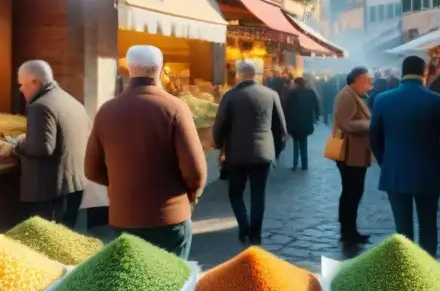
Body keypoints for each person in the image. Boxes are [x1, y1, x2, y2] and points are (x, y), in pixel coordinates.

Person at [84, 45, 205, 256]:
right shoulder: (174, 107)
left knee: (136, 285)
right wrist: (192, 195)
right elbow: (195, 171)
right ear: (160, 69)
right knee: (173, 284)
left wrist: (123, 185)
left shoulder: (106, 111)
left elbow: (91, 169)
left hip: (123, 218)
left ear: (130, 70)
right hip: (169, 217)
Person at [370, 55, 440, 256]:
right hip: (429, 172)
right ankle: (427, 270)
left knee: (402, 229)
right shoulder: (436, 100)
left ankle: (407, 270)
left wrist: (386, 162)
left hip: (395, 171)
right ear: (424, 72)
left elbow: (374, 137)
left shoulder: (383, 99)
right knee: (428, 226)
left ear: (402, 72)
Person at [213, 60, 287, 245]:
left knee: (235, 193)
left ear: (238, 75)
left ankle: (244, 227)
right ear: (257, 75)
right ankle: (256, 234)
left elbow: (219, 126)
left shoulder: (230, 96)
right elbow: (281, 129)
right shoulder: (271, 94)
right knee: (258, 195)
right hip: (263, 154)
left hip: (236, 154)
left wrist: (219, 145)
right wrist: (275, 152)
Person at [12, 60, 91, 227]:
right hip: (73, 186)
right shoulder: (71, 101)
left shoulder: (40, 106)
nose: (20, 89)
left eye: (22, 84)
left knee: (45, 246)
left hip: (50, 191)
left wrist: (17, 144)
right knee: (65, 240)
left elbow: (43, 147)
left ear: (35, 82)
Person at [332, 66, 374, 245]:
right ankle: (348, 231)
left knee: (354, 191)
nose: (369, 84)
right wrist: (370, 124)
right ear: (355, 80)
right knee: (352, 191)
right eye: (366, 81)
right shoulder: (346, 95)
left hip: (356, 152)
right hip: (349, 153)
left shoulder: (354, 94)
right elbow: (347, 123)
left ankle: (350, 229)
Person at [284, 76, 320, 170]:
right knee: (304, 142)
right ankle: (305, 164)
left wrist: (286, 121)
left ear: (296, 84)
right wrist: (316, 117)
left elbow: (286, 109)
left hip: (294, 122)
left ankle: (295, 163)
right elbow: (316, 105)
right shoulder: (310, 92)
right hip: (306, 121)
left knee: (295, 143)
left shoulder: (291, 93)